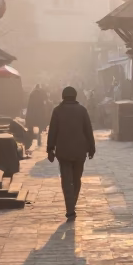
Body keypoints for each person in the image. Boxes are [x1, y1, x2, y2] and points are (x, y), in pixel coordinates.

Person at [46, 86, 95, 220]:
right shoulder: (82, 110)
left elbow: (52, 131)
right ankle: (72, 203)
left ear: (63, 96)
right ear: (75, 96)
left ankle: (70, 208)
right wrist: (91, 148)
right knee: (76, 179)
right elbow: (88, 130)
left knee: (66, 181)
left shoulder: (57, 111)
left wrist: (50, 148)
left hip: (63, 152)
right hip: (80, 151)